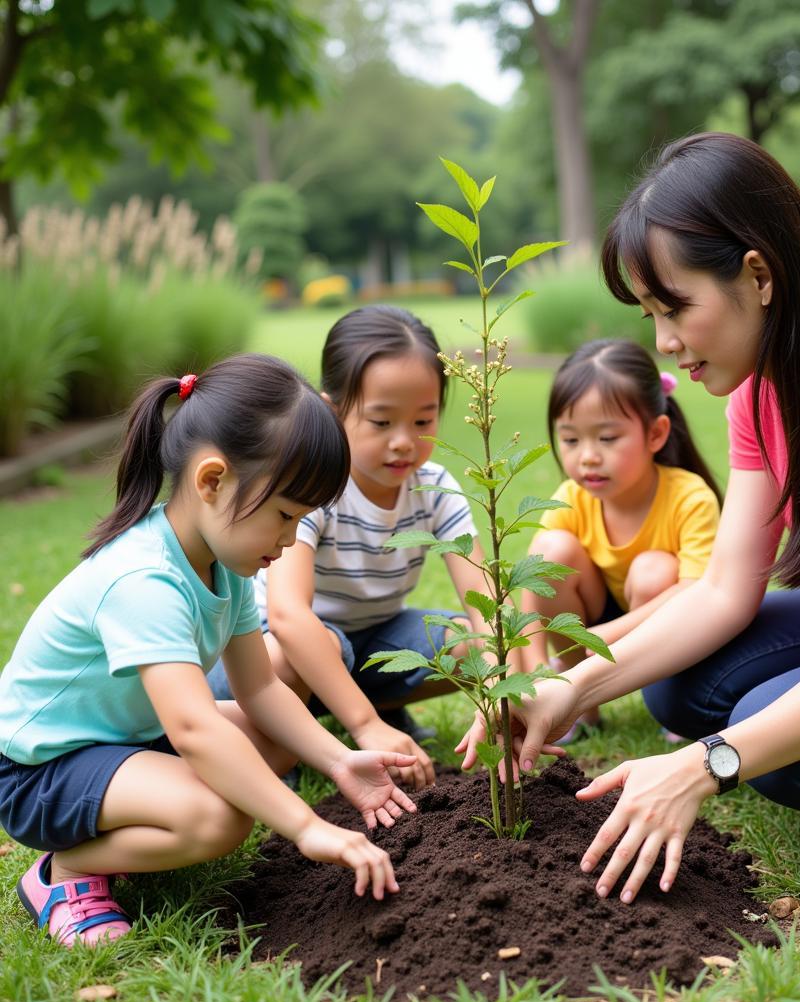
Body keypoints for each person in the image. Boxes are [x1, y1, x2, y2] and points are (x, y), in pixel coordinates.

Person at [459, 131, 800, 904]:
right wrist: (573, 685)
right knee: (684, 689)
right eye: (650, 314)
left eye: (675, 308)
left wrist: (704, 766)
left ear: (758, 274)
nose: (664, 344)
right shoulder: (762, 393)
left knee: (775, 742)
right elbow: (724, 591)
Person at [0, 354, 418, 948]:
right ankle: (64, 872)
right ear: (212, 480)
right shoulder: (143, 579)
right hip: (42, 770)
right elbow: (195, 728)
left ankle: (136, 821)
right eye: (284, 515)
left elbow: (261, 688)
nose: (289, 539)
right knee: (220, 818)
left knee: (271, 740)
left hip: (123, 739)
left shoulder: (226, 567)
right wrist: (306, 828)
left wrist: (336, 759)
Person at [212, 306, 493, 791]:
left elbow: (484, 600)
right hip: (272, 654)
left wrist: (498, 690)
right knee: (319, 642)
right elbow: (287, 616)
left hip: (373, 637)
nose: (405, 442)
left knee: (469, 643)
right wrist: (365, 727)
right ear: (333, 410)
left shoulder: (435, 487)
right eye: (382, 422)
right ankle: (294, 737)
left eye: (423, 420)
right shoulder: (317, 491)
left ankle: (374, 710)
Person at [521, 339, 720, 741]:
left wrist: (607, 637)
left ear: (656, 434)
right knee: (549, 553)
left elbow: (695, 591)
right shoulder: (571, 498)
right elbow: (530, 589)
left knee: (654, 571)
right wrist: (534, 673)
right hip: (595, 614)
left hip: (665, 624)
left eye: (607, 438)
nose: (588, 457)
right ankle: (577, 703)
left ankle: (671, 698)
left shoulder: (689, 496)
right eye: (572, 440)